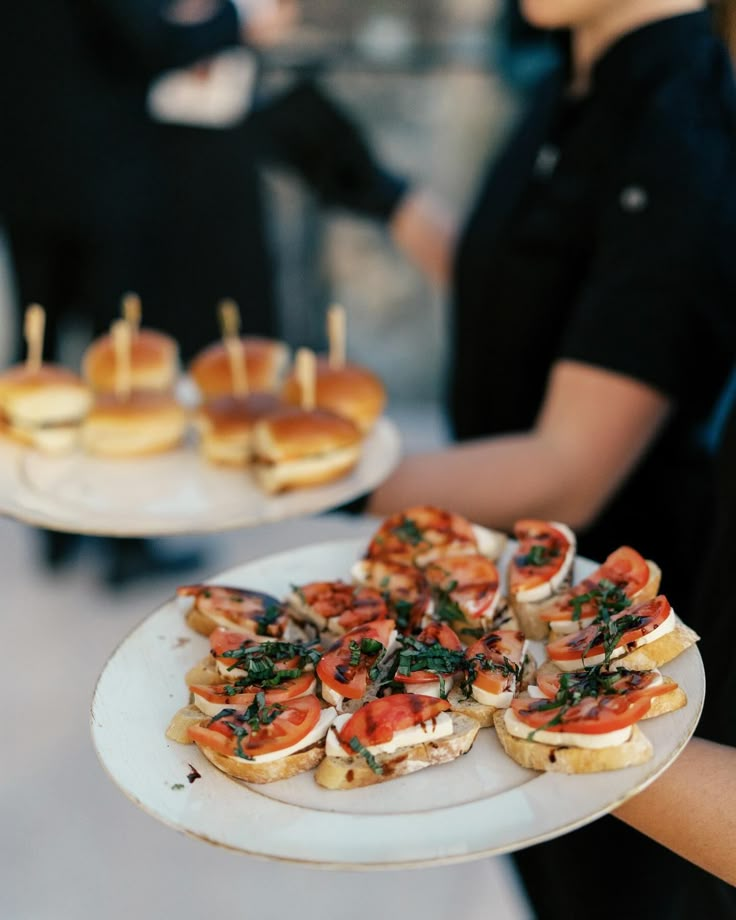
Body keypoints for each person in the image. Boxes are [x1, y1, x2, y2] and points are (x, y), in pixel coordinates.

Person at [359, 1, 736, 915]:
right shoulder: (563, 82)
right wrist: (375, 194)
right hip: (518, 629)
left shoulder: (680, 121)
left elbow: (572, 466)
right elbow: (531, 281)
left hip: (622, 641)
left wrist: (340, 485)